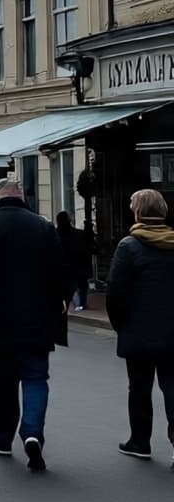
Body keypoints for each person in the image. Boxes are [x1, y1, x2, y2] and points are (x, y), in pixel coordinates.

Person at [0, 177, 72, 472]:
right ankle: (32, 432)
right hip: (38, 319)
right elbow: (62, 272)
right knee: (36, 378)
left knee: (3, 380)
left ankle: (1, 438)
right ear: (22, 197)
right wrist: (60, 302)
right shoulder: (42, 226)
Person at [106, 189, 174, 464]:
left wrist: (121, 324)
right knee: (173, 386)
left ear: (138, 212)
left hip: (139, 331)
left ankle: (140, 441)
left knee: (140, 389)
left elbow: (115, 292)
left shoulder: (129, 246)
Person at [56, 211, 94, 311]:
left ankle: (75, 304)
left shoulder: (55, 234)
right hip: (78, 266)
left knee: (69, 286)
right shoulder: (77, 234)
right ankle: (81, 304)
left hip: (64, 267)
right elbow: (88, 244)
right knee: (82, 285)